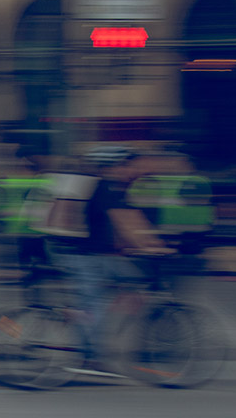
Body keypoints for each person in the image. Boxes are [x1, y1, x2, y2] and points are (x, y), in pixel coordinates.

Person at [58, 145, 174, 374]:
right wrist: (149, 247)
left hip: (94, 255)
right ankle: (90, 358)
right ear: (113, 167)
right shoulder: (106, 187)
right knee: (94, 304)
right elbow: (123, 222)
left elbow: (133, 221)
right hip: (84, 256)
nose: (132, 170)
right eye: (127, 165)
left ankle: (85, 321)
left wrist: (154, 244)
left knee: (123, 282)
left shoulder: (115, 189)